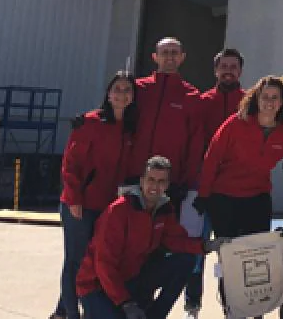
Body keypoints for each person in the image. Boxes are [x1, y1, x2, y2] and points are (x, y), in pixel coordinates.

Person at [194, 76, 283, 310]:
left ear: (282, 103)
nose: (269, 102)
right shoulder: (235, 124)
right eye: (265, 97)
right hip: (224, 198)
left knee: (257, 258)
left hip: (257, 199)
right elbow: (212, 158)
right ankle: (230, 308)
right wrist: (204, 193)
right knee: (229, 258)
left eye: (274, 98)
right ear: (256, 99)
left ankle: (255, 310)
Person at [76, 155, 205, 319]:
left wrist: (204, 246)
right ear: (142, 181)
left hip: (132, 278)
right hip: (98, 286)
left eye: (161, 181)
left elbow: (175, 240)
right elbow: (104, 264)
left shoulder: (164, 209)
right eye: (151, 179)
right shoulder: (118, 211)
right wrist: (126, 303)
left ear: (166, 185)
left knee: (186, 260)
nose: (155, 186)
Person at [52, 72, 138, 319]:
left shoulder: (129, 130)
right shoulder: (90, 123)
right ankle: (71, 313)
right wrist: (74, 199)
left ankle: (60, 312)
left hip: (107, 207)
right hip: (81, 205)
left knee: (94, 261)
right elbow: (70, 164)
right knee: (75, 262)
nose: (122, 94)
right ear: (108, 94)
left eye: (127, 90)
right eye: (117, 89)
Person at [185, 48, 247, 318]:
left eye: (233, 66)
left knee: (229, 254)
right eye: (224, 66)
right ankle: (192, 305)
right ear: (215, 70)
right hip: (199, 186)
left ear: (240, 71)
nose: (228, 71)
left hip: (232, 190)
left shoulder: (250, 102)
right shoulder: (201, 101)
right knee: (195, 250)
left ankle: (231, 307)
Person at [127, 38, 204, 198]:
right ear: (155, 57)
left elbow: (195, 141)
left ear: (182, 57)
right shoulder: (138, 89)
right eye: (165, 52)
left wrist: (186, 179)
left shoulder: (191, 95)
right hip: (135, 175)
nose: (170, 57)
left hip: (170, 180)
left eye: (174, 53)